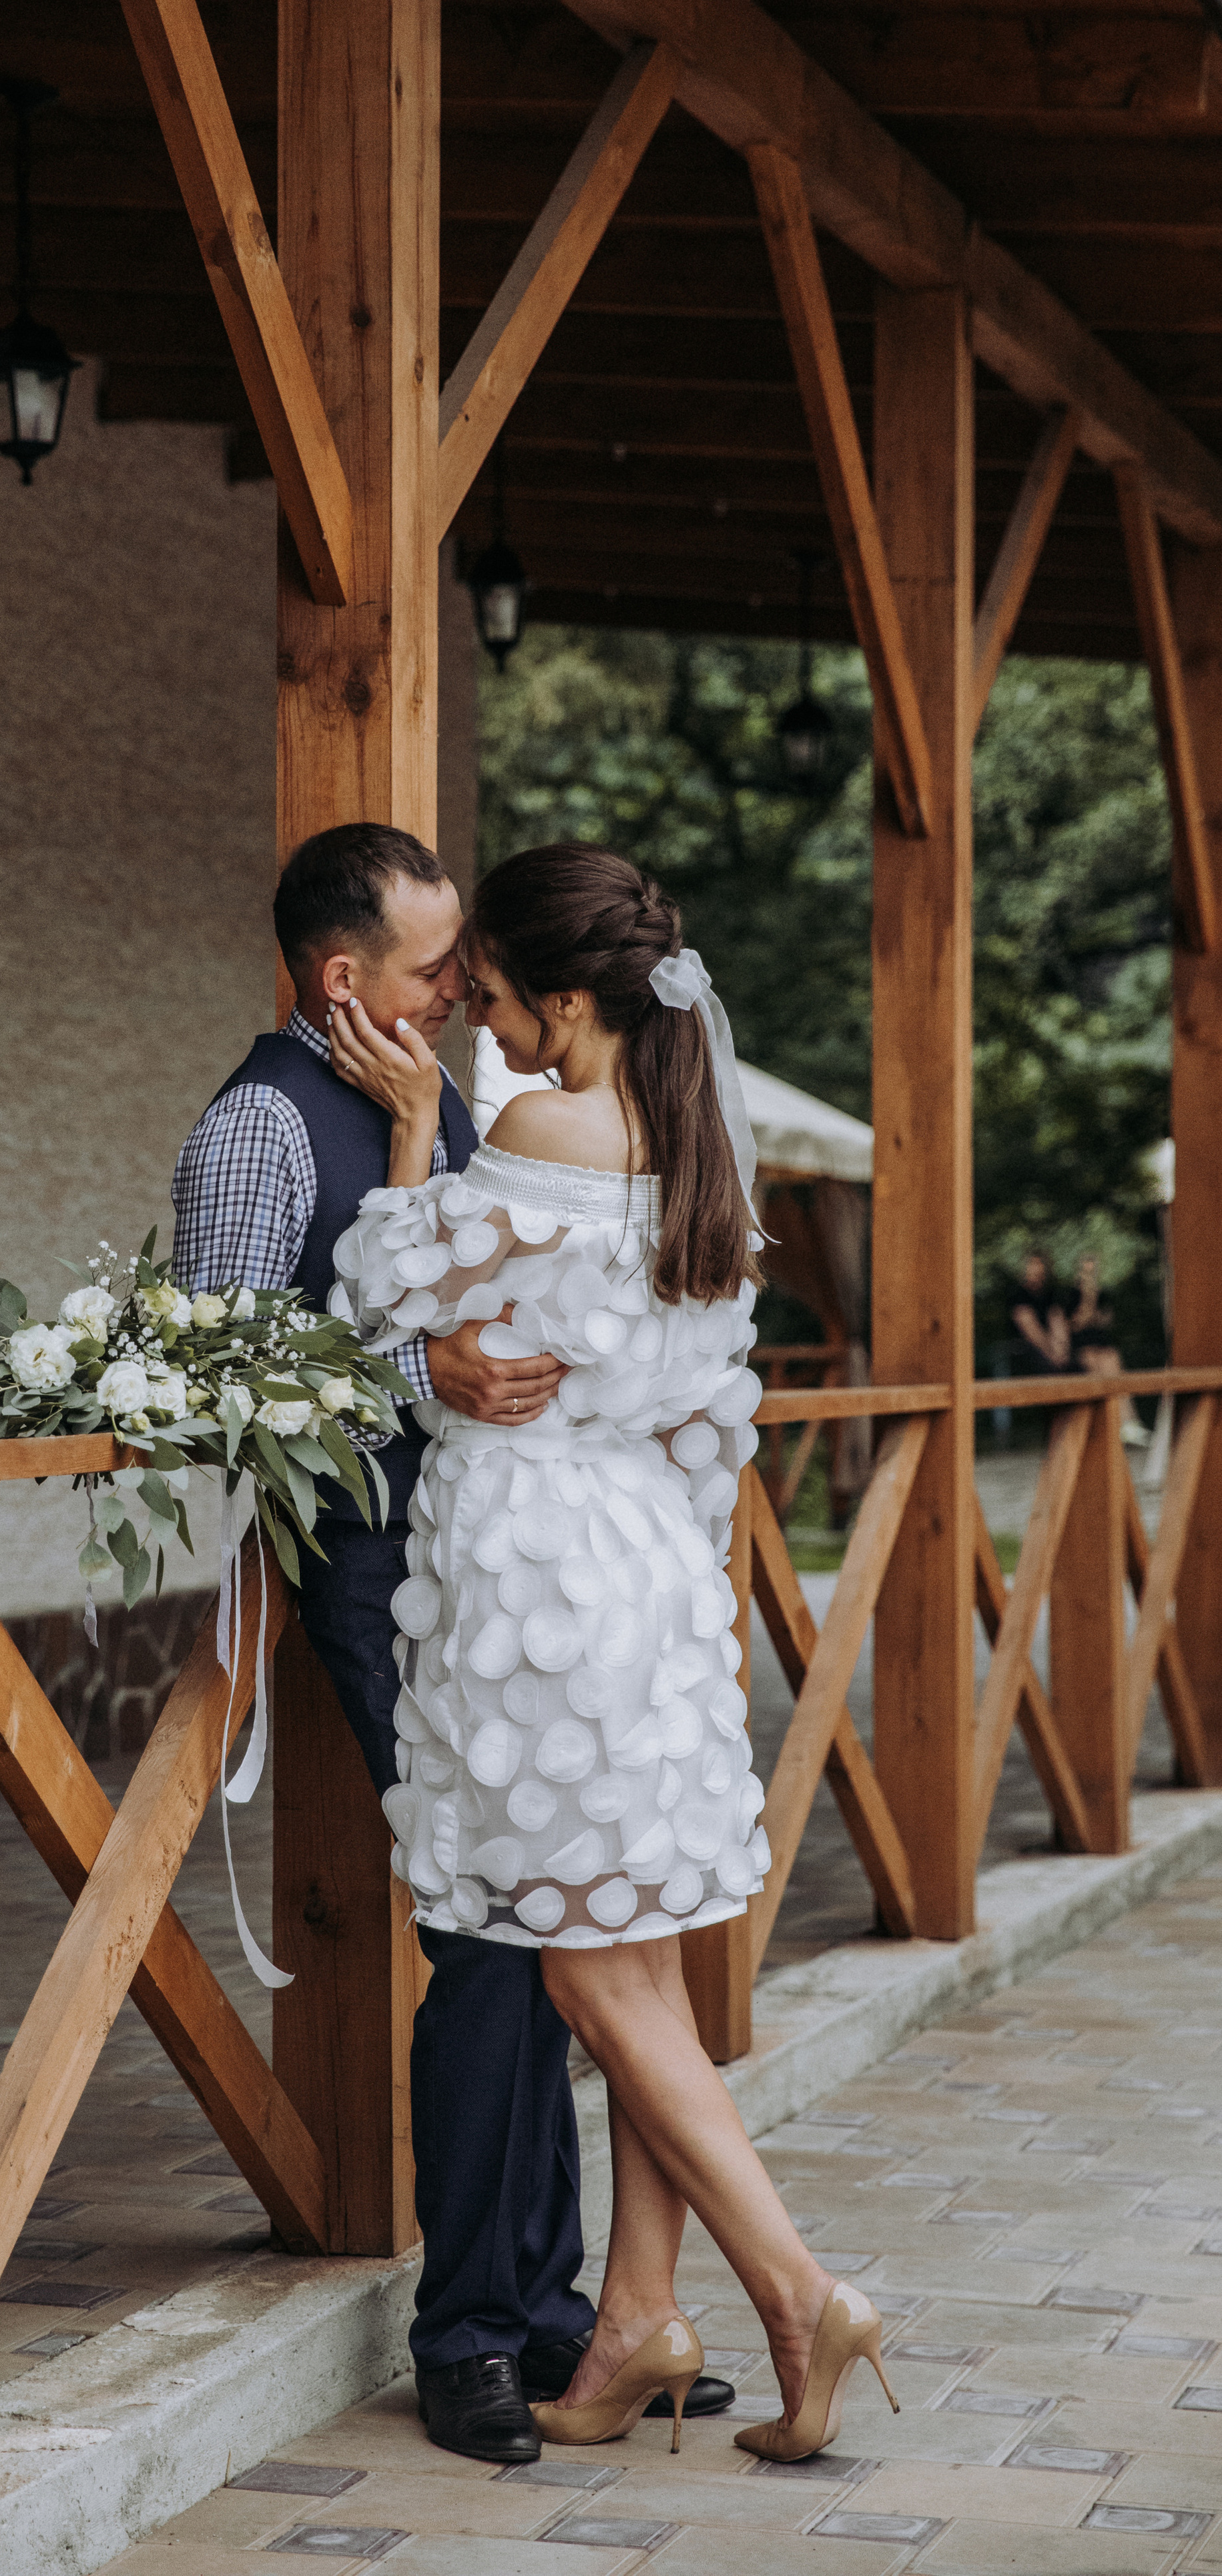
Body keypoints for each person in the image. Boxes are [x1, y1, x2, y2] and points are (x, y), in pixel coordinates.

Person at [171, 823, 737, 2466]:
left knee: (537, 1918)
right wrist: (427, 1385)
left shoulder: (447, 1105)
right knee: (495, 1927)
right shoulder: (261, 1130)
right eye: (436, 971)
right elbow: (225, 1385)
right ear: (341, 978)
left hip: (492, 1566)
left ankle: (552, 2309)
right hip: (371, 1566)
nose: (461, 993)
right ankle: (476, 2328)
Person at [330, 843, 898, 2462]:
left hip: (538, 1576)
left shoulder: (531, 1126)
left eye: (493, 994)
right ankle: (636, 2319)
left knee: (578, 1961)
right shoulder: (689, 1138)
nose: (473, 1018)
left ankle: (795, 2287)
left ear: (565, 1002)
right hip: (649, 1562)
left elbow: (380, 1274)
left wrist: (410, 1127)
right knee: (636, 1945)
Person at [1068, 1254, 1151, 1446]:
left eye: (1093, 1271)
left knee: (1114, 1368)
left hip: (1103, 1344)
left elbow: (1105, 1321)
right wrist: (1089, 1298)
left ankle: (1129, 1423)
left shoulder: (1104, 1294)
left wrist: (1092, 1309)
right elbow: (1079, 1323)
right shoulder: (1070, 1295)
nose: (1090, 1275)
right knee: (1093, 1365)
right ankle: (1107, 1426)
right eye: (1086, 1271)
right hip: (1082, 1347)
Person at [1009, 1248, 1070, 1376]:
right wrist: (1052, 1354)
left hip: (1053, 1350)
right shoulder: (1018, 1296)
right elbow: (1031, 1331)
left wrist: (1062, 1351)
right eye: (1032, 1264)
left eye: (1039, 1264)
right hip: (1026, 1352)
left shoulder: (1051, 1296)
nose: (1036, 1269)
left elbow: (1058, 1323)